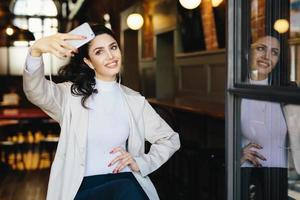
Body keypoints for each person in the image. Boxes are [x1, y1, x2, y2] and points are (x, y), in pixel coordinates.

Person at [23, 24, 180, 200]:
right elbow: (36, 92)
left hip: (124, 182)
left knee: (128, 189)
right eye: (99, 52)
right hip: (80, 187)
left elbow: (169, 139)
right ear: (88, 62)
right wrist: (35, 51)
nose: (111, 56)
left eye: (113, 47)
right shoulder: (70, 96)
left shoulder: (133, 100)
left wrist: (141, 163)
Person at [240, 35, 289, 200]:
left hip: (281, 177)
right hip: (248, 176)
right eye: (261, 48)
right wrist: (237, 155)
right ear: (248, 53)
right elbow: (220, 138)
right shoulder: (236, 91)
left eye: (274, 52)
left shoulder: (285, 93)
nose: (267, 56)